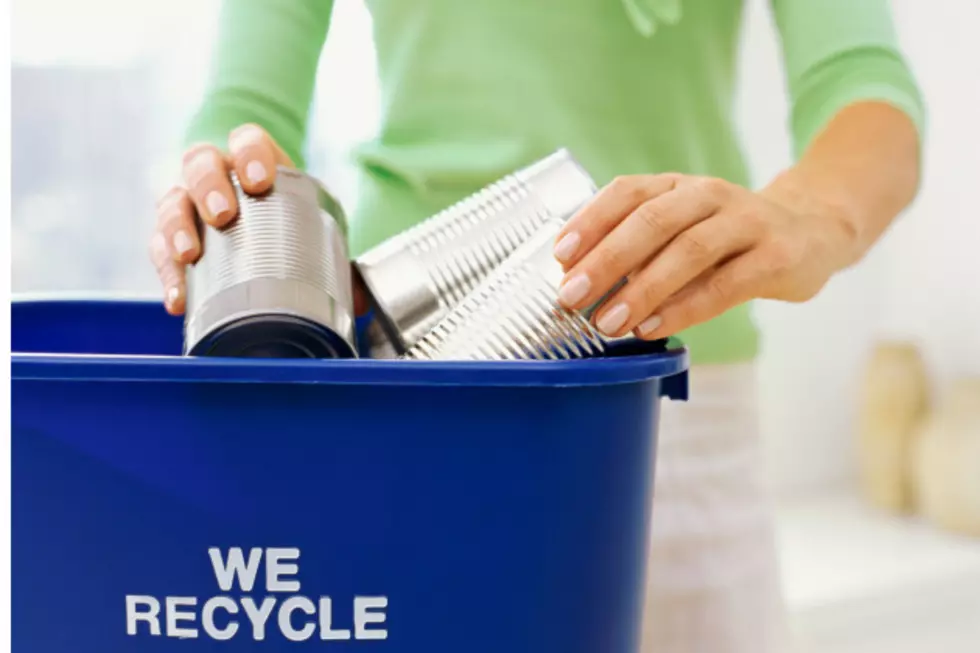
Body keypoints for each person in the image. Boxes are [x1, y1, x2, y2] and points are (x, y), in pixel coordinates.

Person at [149, 1, 924, 651]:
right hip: (399, 386)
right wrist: (229, 189)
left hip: (665, 400)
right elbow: (248, 98)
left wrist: (815, 212)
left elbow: (860, 76)